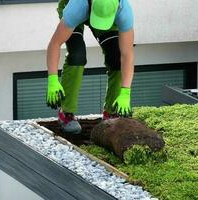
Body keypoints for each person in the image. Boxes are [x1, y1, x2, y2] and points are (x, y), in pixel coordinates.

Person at [46, 0, 134, 134]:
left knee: (116, 58)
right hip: (77, 8)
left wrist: (125, 92)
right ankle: (66, 113)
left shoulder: (123, 11)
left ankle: (111, 113)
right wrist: (52, 79)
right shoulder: (76, 6)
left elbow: (127, 55)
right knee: (77, 55)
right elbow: (55, 43)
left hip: (106, 12)